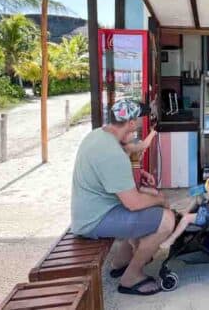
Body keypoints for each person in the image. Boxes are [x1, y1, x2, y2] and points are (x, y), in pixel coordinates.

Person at [70, 99, 174, 296]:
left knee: (147, 198)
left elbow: (114, 176)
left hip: (90, 211)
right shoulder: (112, 153)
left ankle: (121, 262)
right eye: (139, 122)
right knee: (166, 219)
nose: (139, 128)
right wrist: (161, 200)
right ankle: (131, 277)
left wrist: (140, 173)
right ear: (131, 124)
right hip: (94, 220)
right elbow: (133, 203)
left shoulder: (97, 136)